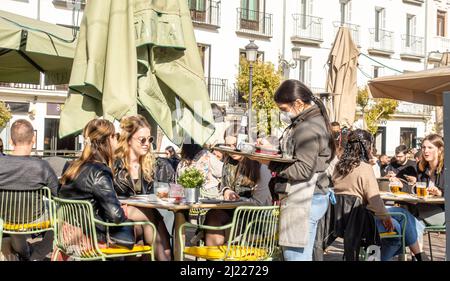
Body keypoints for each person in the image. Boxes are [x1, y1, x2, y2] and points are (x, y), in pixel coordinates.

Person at [252, 79, 335, 261]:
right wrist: (271, 149)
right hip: (311, 196)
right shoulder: (311, 121)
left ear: (297, 103)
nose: (283, 114)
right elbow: (299, 155)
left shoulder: (307, 127)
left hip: (304, 197)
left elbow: (303, 168)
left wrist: (268, 162)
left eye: (283, 109)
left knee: (295, 257)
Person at [332, 129, 428, 261]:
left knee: (402, 218)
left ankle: (419, 255)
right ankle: (419, 255)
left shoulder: (338, 167)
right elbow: (374, 200)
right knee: (399, 227)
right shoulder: (364, 167)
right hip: (363, 222)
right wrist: (386, 218)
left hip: (341, 221)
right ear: (367, 146)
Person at [59, 119, 144, 257]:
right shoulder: (100, 170)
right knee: (146, 224)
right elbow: (115, 216)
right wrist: (127, 216)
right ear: (108, 139)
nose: (117, 140)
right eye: (115, 136)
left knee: (142, 222)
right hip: (90, 238)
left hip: (67, 234)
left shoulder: (72, 166)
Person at [113, 115, 172, 261]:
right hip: (120, 220)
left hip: (148, 218)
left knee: (166, 250)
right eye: (142, 139)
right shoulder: (115, 165)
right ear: (128, 139)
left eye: (150, 139)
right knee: (149, 227)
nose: (147, 144)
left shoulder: (149, 166)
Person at [0, 119, 59, 260]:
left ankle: (24, 253)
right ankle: (37, 253)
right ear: (34, 139)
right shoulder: (42, 166)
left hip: (5, 217)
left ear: (10, 141)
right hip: (35, 217)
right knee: (61, 213)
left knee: (14, 218)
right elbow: (58, 195)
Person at [203, 133, 272, 246]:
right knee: (213, 214)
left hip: (255, 215)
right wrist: (227, 191)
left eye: (234, 144)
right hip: (234, 209)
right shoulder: (228, 162)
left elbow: (259, 203)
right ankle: (215, 256)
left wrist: (238, 200)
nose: (231, 149)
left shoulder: (260, 165)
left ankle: (221, 253)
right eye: (227, 145)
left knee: (218, 222)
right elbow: (224, 186)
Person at [405, 134, 445, 226]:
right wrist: (408, 185)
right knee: (412, 225)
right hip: (424, 210)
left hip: (442, 212)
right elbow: (419, 191)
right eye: (423, 147)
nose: (426, 151)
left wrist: (440, 193)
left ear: (440, 150)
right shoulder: (422, 167)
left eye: (430, 147)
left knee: (406, 216)